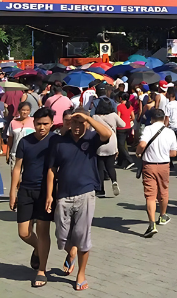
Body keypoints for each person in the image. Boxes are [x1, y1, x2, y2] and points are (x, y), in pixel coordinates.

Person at [44, 109, 112, 291]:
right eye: (74, 122)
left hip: (85, 193)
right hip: (63, 195)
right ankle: (71, 251)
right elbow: (52, 169)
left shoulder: (91, 139)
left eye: (81, 123)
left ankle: (81, 274)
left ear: (87, 124)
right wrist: (50, 195)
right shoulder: (59, 141)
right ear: (69, 123)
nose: (77, 126)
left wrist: (88, 118)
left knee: (83, 236)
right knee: (61, 236)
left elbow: (107, 134)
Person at [9, 108, 56, 288]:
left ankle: (42, 270)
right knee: (24, 232)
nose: (42, 127)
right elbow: (16, 168)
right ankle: (38, 248)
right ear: (33, 123)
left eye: (45, 124)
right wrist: (12, 192)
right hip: (26, 190)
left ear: (52, 124)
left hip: (46, 192)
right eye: (38, 124)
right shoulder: (25, 141)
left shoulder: (55, 141)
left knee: (43, 231)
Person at [136, 109, 177, 237]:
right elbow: (173, 153)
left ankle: (151, 223)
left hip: (149, 165)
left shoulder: (148, 129)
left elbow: (142, 144)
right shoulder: (170, 132)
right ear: (164, 119)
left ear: (152, 119)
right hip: (164, 165)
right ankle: (163, 216)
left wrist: (138, 152)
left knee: (150, 195)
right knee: (164, 191)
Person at [92, 98, 125, 197]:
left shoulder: (95, 117)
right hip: (112, 142)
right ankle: (114, 181)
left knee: (100, 167)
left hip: (100, 142)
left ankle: (100, 189)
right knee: (110, 166)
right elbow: (123, 124)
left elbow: (91, 129)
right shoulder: (113, 115)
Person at [7, 102, 35, 174]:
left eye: (27, 110)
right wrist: (8, 153)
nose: (25, 112)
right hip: (15, 153)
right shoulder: (13, 122)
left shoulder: (34, 121)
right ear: (19, 111)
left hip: (30, 153)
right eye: (23, 110)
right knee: (15, 175)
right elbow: (10, 139)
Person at [115, 93, 134, 169]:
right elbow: (133, 117)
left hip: (121, 128)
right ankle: (120, 162)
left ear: (120, 98)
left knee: (121, 145)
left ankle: (130, 160)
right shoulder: (130, 106)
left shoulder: (119, 106)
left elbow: (118, 118)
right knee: (122, 144)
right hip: (128, 127)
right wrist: (127, 120)